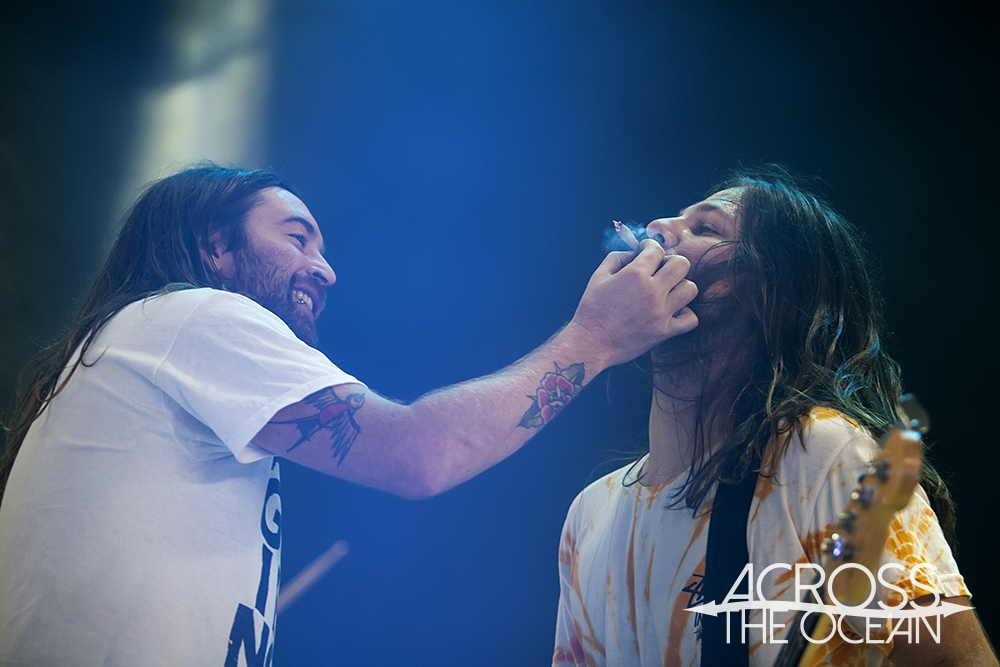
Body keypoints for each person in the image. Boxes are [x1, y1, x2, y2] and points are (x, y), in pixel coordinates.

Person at [0, 164, 698, 666]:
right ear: (215, 246)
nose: (326, 269)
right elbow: (420, 454)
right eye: (298, 238)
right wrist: (595, 338)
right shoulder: (192, 315)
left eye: (324, 249)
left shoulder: (157, 340)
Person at [552, 167, 997, 667]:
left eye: (706, 228)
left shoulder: (824, 454)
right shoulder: (589, 514)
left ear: (768, 292)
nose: (659, 225)